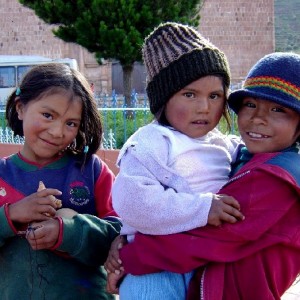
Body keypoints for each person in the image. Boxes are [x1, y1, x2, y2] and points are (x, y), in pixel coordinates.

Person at [107, 52, 300, 299]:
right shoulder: (241, 156)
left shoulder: (276, 178)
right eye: (250, 105)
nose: (258, 119)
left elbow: (210, 235)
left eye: (278, 109)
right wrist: (125, 236)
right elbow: (132, 201)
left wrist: (128, 257)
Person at [107, 22, 244, 299]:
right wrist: (202, 208)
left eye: (215, 96)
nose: (204, 107)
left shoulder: (226, 146)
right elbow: (132, 202)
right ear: (164, 98)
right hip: (155, 269)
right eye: (189, 94)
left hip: (206, 263)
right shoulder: (150, 142)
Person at [0, 63, 122, 299]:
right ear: (21, 108)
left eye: (71, 123)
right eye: (48, 115)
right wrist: (11, 215)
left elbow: (121, 234)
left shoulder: (92, 171)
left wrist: (69, 231)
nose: (57, 132)